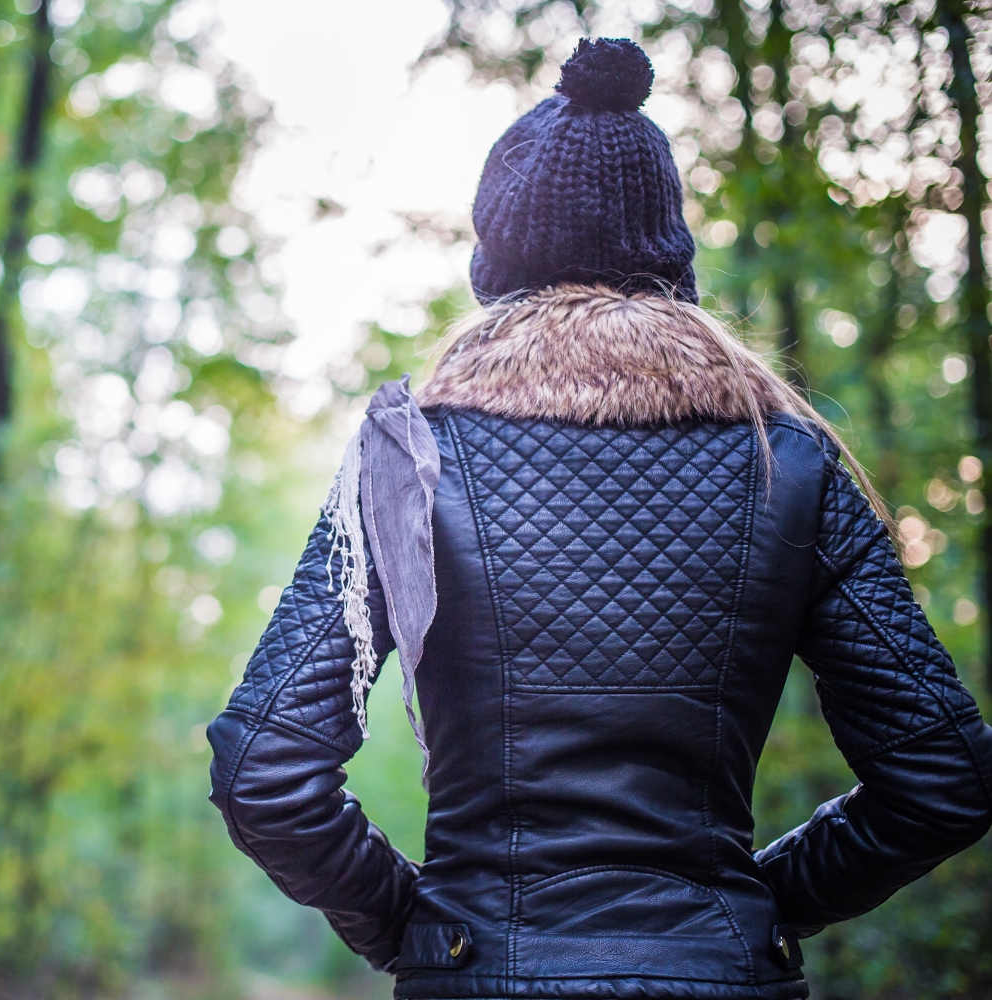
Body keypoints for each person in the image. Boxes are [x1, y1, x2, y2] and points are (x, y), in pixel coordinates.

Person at [206, 37, 992, 1000]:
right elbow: (944, 778)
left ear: (494, 262)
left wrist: (419, 930)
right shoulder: (789, 460)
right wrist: (739, 920)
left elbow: (262, 771)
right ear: (670, 253)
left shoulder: (406, 457)